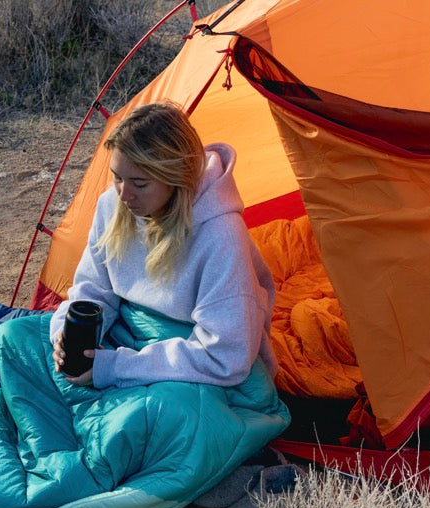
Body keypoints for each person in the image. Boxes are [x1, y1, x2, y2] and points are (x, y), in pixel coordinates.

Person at [51, 101, 277, 389]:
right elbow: (94, 289)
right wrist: (69, 336)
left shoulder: (221, 235)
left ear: (176, 179)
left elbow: (225, 355)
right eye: (117, 177)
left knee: (155, 418)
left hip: (192, 349)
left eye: (140, 184)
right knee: (11, 339)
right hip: (129, 329)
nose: (124, 194)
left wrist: (116, 368)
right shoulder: (112, 205)